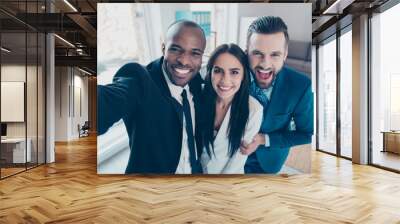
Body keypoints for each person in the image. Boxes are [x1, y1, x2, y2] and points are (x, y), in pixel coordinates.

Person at [97, 20, 206, 174]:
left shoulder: (197, 82)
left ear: (201, 57)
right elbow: (106, 102)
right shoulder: (139, 80)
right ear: (163, 48)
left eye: (195, 53)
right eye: (175, 49)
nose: (184, 61)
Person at [240, 16, 314, 174]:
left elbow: (307, 133)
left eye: (275, 55)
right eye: (257, 53)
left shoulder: (301, 86)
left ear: (285, 54)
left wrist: (263, 139)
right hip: (229, 158)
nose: (265, 64)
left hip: (268, 161)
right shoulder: (232, 75)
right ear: (246, 52)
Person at [200, 44, 263, 174]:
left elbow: (238, 159)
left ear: (243, 75)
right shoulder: (198, 96)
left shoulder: (254, 110)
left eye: (234, 72)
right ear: (210, 72)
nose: (225, 80)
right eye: (218, 71)